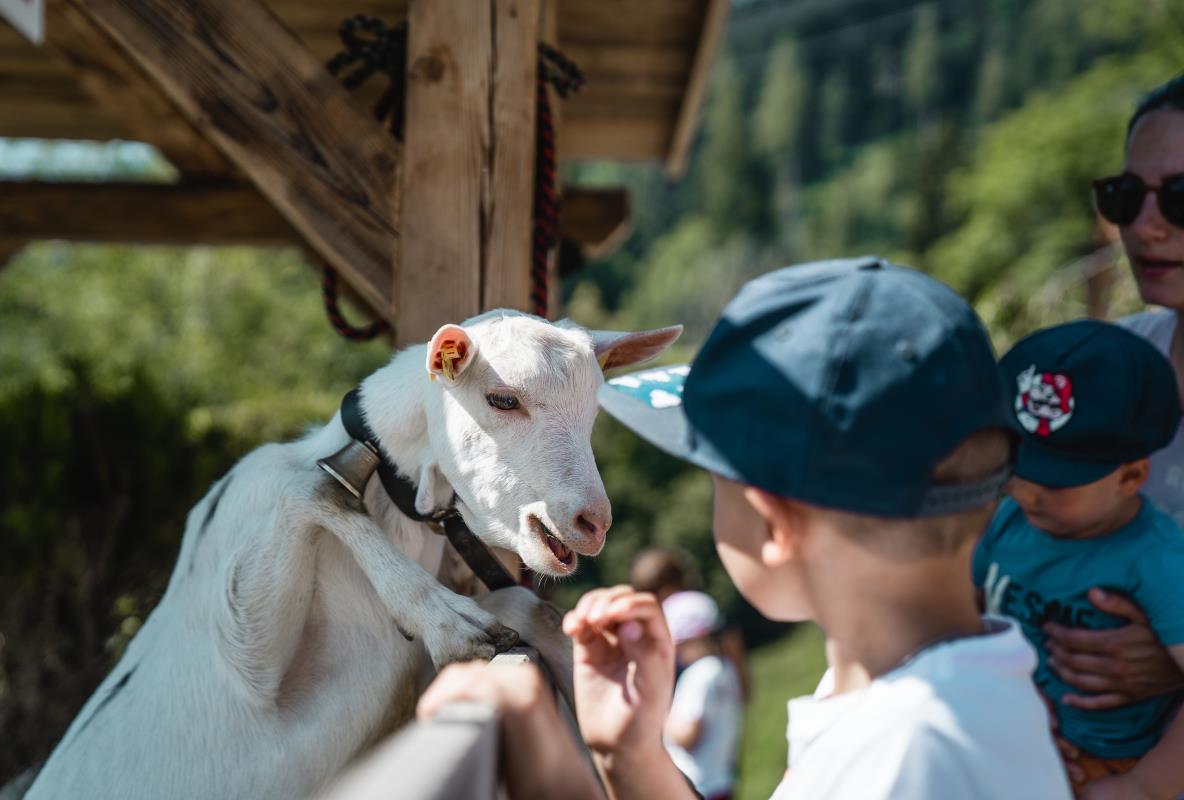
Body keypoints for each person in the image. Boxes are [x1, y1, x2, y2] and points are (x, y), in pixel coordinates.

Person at [416, 258, 1072, 798]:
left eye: (711, 478)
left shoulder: (915, 755)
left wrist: (549, 767)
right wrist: (633, 757)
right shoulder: (920, 695)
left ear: (769, 523)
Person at [974, 320, 1184, 798]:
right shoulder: (1006, 521)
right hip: (1016, 740)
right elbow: (954, 612)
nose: (1025, 492)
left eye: (1054, 480)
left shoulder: (1157, 560)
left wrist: (1147, 784)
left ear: (1131, 477)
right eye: (1017, 465)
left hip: (1112, 766)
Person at [1042, 74, 1184, 755]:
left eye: (1182, 198)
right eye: (1125, 197)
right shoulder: (1107, 364)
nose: (1146, 226)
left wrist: (1171, 660)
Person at [631, 547, 752, 700]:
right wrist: (743, 691)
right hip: (721, 689)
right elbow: (732, 644)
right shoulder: (703, 604)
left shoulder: (668, 616)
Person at [661, 591, 742, 800]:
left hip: (698, 785)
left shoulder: (699, 675)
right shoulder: (725, 668)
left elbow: (687, 737)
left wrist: (660, 712)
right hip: (720, 780)